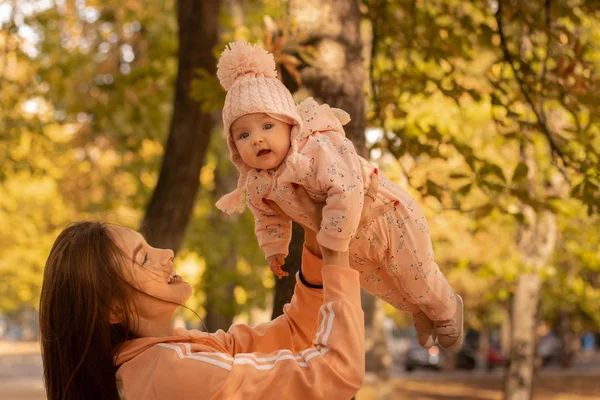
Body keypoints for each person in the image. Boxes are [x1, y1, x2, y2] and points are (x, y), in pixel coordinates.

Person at [39, 171, 393, 400]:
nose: (167, 253)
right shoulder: (172, 373)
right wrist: (336, 248)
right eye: (144, 258)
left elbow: (295, 335)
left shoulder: (170, 354)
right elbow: (336, 375)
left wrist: (315, 234)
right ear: (113, 310)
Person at [214, 41, 463, 351]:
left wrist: (331, 242)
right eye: (243, 135)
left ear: (291, 124)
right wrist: (274, 247)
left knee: (416, 274)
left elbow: (345, 189)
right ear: (234, 146)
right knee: (382, 285)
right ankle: (419, 312)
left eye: (267, 125)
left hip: (387, 217)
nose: (257, 139)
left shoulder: (316, 149)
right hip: (348, 242)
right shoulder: (258, 184)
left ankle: (447, 308)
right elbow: (267, 217)